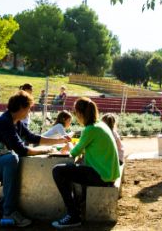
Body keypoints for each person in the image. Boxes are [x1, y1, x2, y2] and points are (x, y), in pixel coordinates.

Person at [0, 91, 65, 227]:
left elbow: (33, 138)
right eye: (28, 108)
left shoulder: (15, 122)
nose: (29, 112)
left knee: (13, 159)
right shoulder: (4, 122)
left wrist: (59, 141)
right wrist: (47, 150)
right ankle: (9, 212)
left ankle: (4, 202)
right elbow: (22, 150)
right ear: (21, 107)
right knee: (12, 159)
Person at [51, 98, 120, 229]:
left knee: (58, 171)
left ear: (79, 113)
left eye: (75, 113)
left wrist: (68, 144)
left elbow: (74, 153)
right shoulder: (100, 125)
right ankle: (77, 206)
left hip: (102, 176)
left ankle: (73, 215)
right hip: (108, 174)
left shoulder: (90, 130)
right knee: (77, 169)